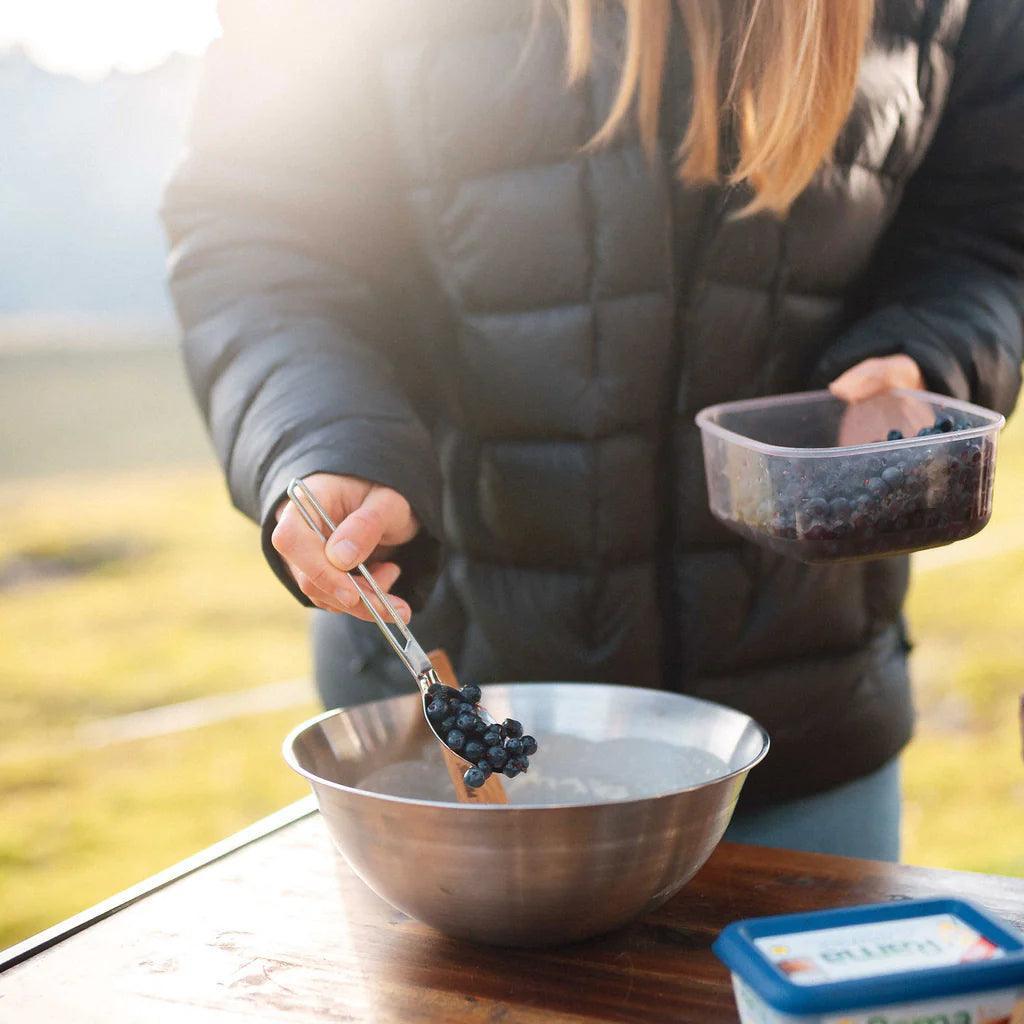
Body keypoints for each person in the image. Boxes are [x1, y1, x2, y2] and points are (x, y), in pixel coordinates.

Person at [163, 0, 1024, 862]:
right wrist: (323, 437)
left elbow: (990, 224)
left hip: (806, 723)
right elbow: (259, 240)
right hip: (452, 724)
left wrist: (928, 355)